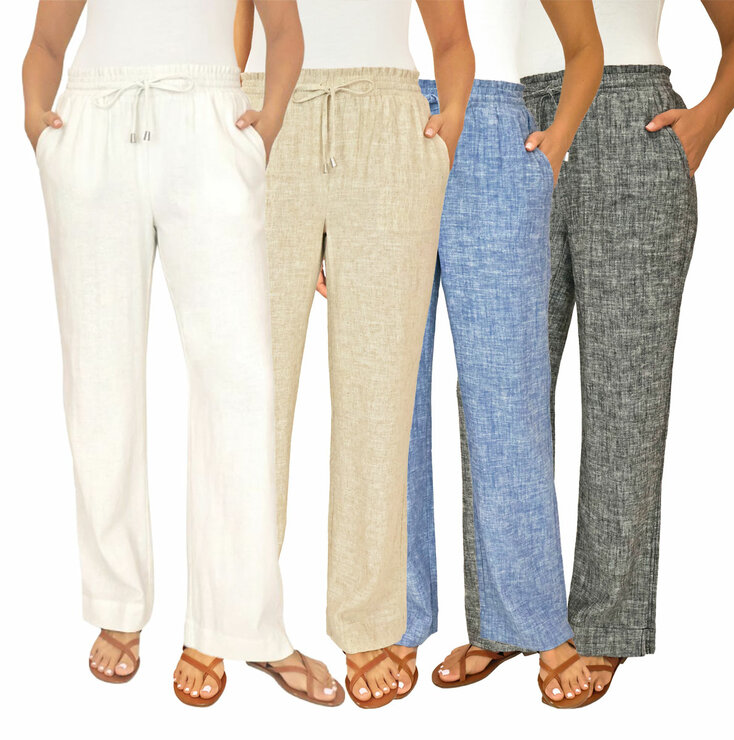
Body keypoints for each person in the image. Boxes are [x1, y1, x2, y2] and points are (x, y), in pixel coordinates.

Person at [23, 0, 342, 707]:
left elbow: (283, 30)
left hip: (210, 123)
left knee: (241, 385)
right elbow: (46, 38)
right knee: (98, 384)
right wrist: (35, 122)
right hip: (93, 123)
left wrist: (269, 125)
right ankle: (117, 601)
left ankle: (242, 621)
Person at [460, 0, 734, 705]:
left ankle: (605, 621)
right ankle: (510, 613)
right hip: (513, 119)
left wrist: (708, 118)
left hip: (631, 124)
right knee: (499, 390)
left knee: (626, 399)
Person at [240, 0, 473, 709]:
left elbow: (451, 37)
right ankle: (234, 608)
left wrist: (447, 132)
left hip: (387, 125)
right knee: (247, 392)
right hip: (267, 113)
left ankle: (368, 620)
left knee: (379, 398)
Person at [395, 0, 604, 707]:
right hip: (384, 118)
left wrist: (555, 146)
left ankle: (536, 620)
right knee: (390, 399)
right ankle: (395, 616)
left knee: (509, 400)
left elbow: (586, 48)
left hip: (493, 135)